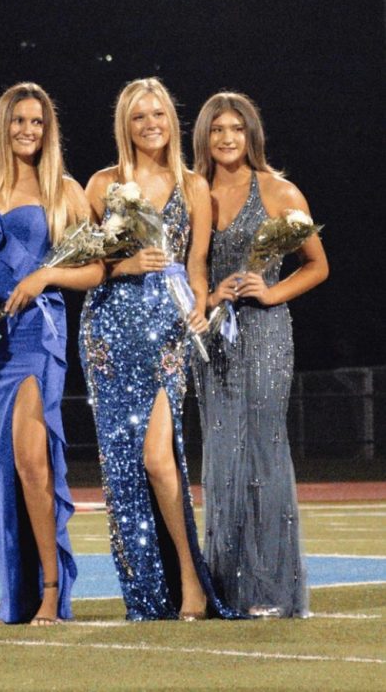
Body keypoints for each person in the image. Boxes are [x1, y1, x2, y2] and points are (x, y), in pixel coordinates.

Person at [80, 77, 236, 621]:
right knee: (124, 467)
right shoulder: (101, 184)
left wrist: (199, 304)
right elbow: (87, 267)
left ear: (172, 120)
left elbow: (196, 268)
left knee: (158, 459)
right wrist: (123, 266)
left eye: (160, 114)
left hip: (168, 332)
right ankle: (147, 593)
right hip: (109, 330)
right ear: (126, 124)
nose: (151, 124)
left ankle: (190, 582)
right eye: (140, 116)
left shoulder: (194, 187)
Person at [0, 83, 103, 625]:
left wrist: (45, 274)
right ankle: (14, 594)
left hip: (38, 334)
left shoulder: (63, 190)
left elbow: (95, 269)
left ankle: (49, 588)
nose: (28, 130)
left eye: (38, 122)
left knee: (31, 462)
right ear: (2, 126)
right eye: (19, 120)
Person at [192, 92, 327, 618]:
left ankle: (271, 591)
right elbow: (193, 264)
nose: (227, 138)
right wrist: (207, 298)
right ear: (204, 137)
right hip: (215, 341)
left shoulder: (278, 190)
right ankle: (226, 589)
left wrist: (270, 292)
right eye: (217, 129)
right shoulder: (195, 191)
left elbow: (316, 265)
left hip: (267, 336)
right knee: (223, 458)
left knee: (263, 454)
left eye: (237, 129)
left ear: (252, 134)